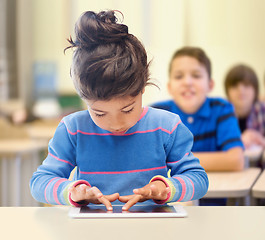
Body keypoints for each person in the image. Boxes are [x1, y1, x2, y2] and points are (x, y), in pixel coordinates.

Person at [30, 11, 208, 211]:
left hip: (153, 229)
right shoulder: (73, 129)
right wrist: (74, 191)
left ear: (142, 88)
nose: (115, 124)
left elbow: (198, 179)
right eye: (99, 113)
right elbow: (40, 183)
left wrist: (166, 188)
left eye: (127, 109)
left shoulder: (167, 127)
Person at [151, 47, 245, 172]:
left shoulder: (222, 109)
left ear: (210, 85)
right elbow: (145, 163)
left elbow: (235, 160)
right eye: (179, 76)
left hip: (217, 189)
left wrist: (173, 161)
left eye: (196, 75)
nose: (187, 82)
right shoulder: (156, 113)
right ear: (169, 87)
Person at [224, 64, 265, 149]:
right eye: (234, 86)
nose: (241, 90)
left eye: (246, 85)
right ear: (227, 91)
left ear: (255, 89)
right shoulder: (221, 112)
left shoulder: (262, 110)